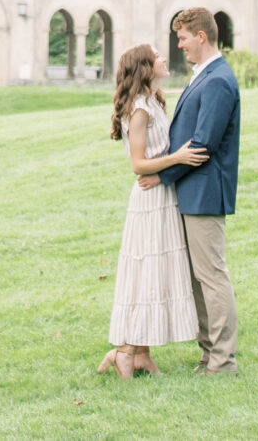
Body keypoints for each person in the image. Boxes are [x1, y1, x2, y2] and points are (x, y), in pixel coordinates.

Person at [99, 45, 207, 378]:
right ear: (145, 68)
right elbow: (138, 163)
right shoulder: (140, 109)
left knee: (157, 271)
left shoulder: (155, 101)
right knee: (146, 271)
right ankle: (126, 352)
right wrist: (177, 159)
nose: (164, 59)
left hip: (163, 195)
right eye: (157, 56)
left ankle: (140, 354)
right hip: (149, 199)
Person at [162, 6, 241, 374]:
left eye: (183, 38)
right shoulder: (203, 77)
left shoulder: (219, 80)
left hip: (206, 192)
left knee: (211, 275)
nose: (180, 45)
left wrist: (159, 174)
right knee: (198, 278)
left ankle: (223, 359)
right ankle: (208, 352)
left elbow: (203, 144)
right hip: (191, 191)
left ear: (202, 36)